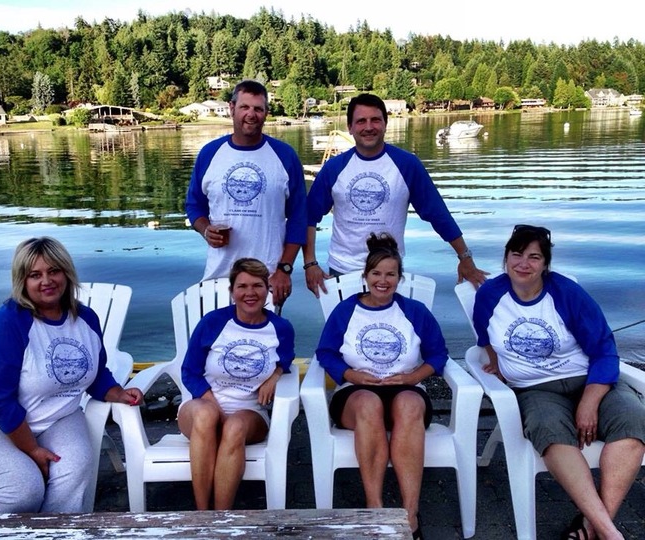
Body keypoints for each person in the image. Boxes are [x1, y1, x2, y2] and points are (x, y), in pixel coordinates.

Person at [472, 224, 645, 540]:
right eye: (517, 254)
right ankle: (610, 533)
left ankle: (593, 528)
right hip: (536, 390)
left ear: (545, 264)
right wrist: (496, 362)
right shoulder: (489, 296)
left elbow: (605, 350)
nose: (524, 264)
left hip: (589, 381)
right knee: (550, 431)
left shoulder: (567, 294)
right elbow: (485, 336)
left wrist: (590, 402)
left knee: (633, 420)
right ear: (505, 258)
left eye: (534, 257)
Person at [0, 236, 144, 514]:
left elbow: (96, 370)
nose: (47, 280)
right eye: (35, 275)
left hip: (58, 418)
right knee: (24, 489)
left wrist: (116, 392)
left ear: (66, 273)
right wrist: (31, 450)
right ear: (22, 281)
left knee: (74, 470)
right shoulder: (5, 324)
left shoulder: (86, 318)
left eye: (54, 270)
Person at [315, 232, 449, 539]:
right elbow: (325, 353)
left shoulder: (414, 312)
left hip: (405, 388)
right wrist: (350, 375)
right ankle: (375, 509)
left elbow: (438, 353)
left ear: (399, 278)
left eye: (391, 274)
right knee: (368, 404)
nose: (383, 281)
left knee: (410, 405)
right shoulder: (347, 311)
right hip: (356, 392)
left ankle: (410, 514)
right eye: (376, 273)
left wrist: (415, 377)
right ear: (365, 276)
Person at [304, 93, 487, 298]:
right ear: (350, 127)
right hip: (343, 271)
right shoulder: (334, 168)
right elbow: (309, 216)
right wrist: (310, 263)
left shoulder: (408, 165)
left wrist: (465, 257)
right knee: (343, 330)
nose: (369, 127)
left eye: (375, 120)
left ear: (385, 123)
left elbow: (438, 214)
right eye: (361, 121)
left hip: (389, 273)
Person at [178, 258, 295, 510]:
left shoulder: (281, 328)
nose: (250, 293)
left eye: (257, 286)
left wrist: (274, 376)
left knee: (234, 426)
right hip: (202, 406)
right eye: (242, 286)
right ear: (232, 291)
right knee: (206, 416)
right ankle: (202, 514)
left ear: (268, 290)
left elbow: (286, 359)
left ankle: (222, 516)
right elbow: (189, 371)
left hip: (250, 413)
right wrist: (212, 404)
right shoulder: (213, 322)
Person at [185, 79, 307, 307]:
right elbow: (194, 205)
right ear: (232, 109)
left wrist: (285, 269)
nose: (251, 114)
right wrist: (205, 230)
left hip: (267, 279)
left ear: (266, 113)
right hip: (219, 276)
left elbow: (299, 218)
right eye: (245, 107)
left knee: (264, 343)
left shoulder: (285, 156)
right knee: (215, 342)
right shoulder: (210, 153)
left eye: (258, 109)